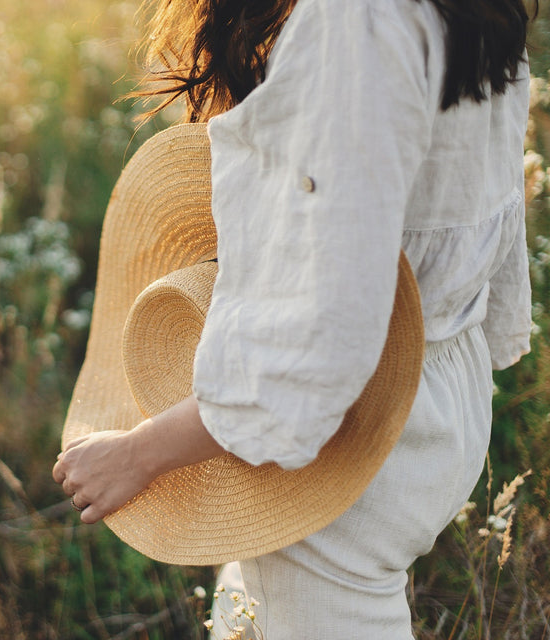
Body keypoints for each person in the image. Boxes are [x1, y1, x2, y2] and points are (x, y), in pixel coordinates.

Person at [52, 0, 535, 637]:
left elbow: (314, 351)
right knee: (256, 610)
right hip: (436, 380)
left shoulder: (354, 22)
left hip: (344, 428)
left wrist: (140, 452)